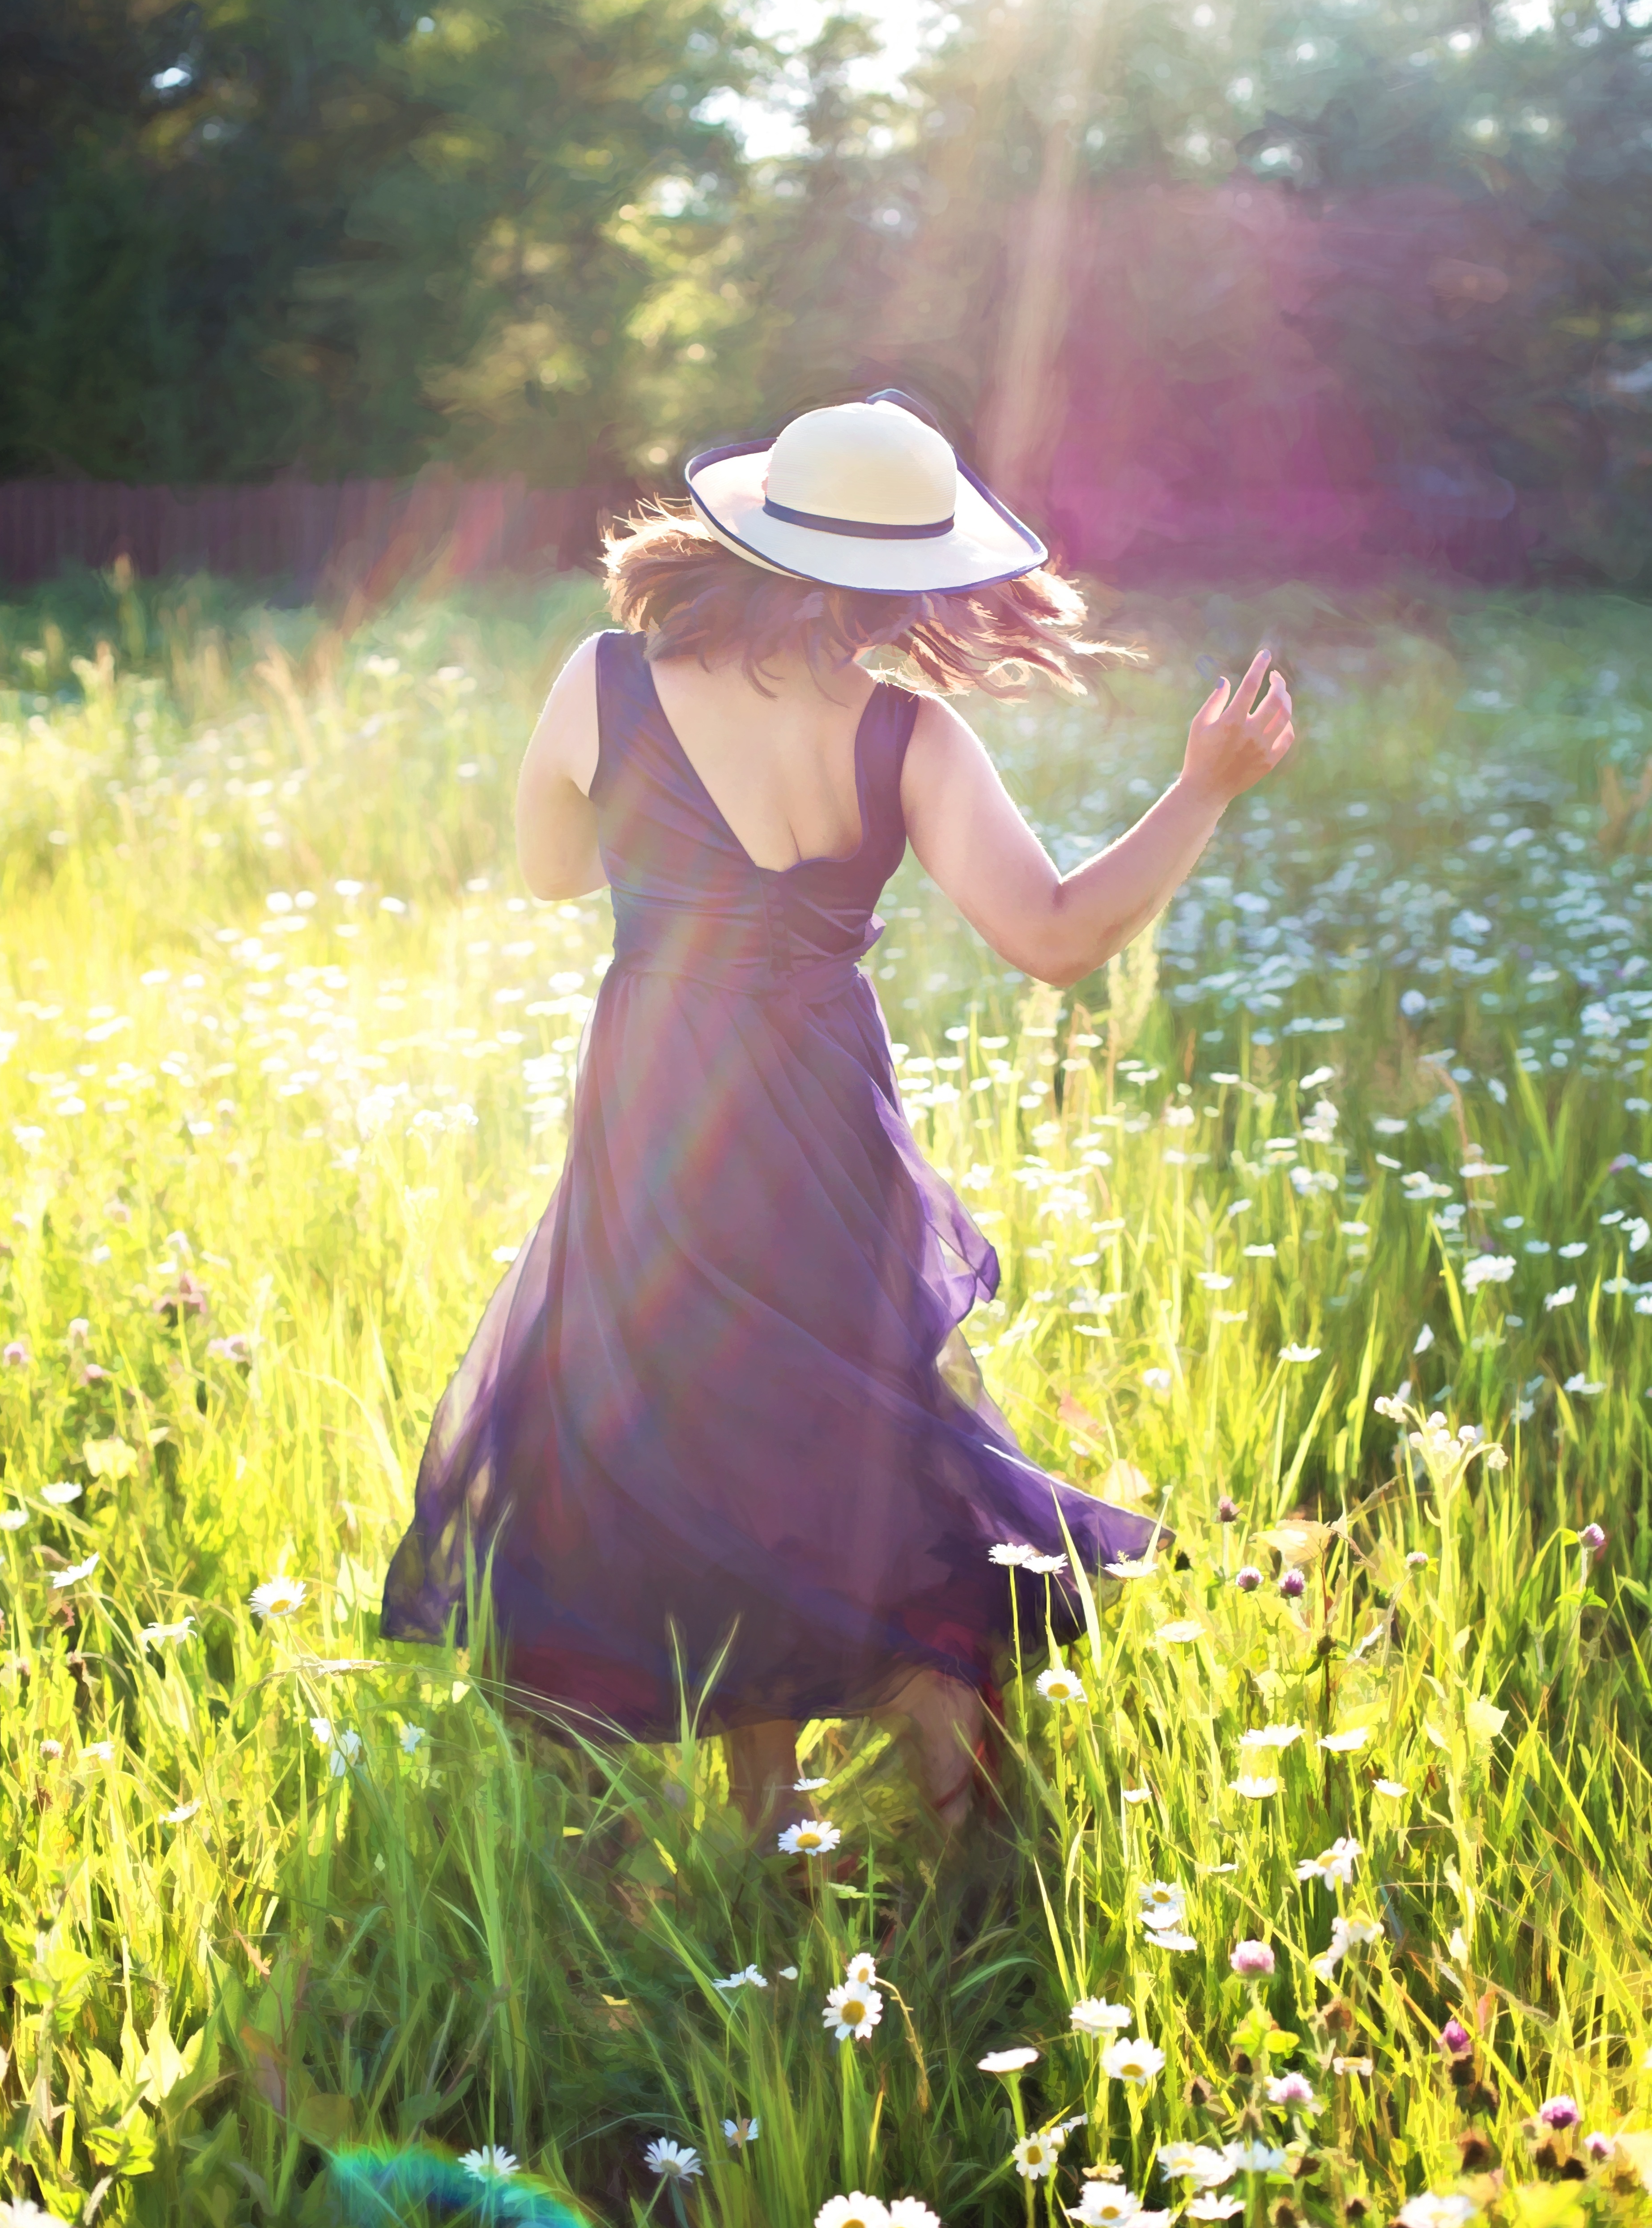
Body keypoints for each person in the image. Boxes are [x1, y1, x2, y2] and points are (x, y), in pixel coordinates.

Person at [379, 389, 1294, 1842]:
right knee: (850, 1430)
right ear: (896, 581)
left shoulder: (604, 679)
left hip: (660, 1106)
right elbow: (1056, 938)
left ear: (757, 538)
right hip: (823, 1109)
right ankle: (947, 1801)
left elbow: (552, 875)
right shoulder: (907, 737)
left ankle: (769, 1815)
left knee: (697, 1430)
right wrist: (1198, 793)